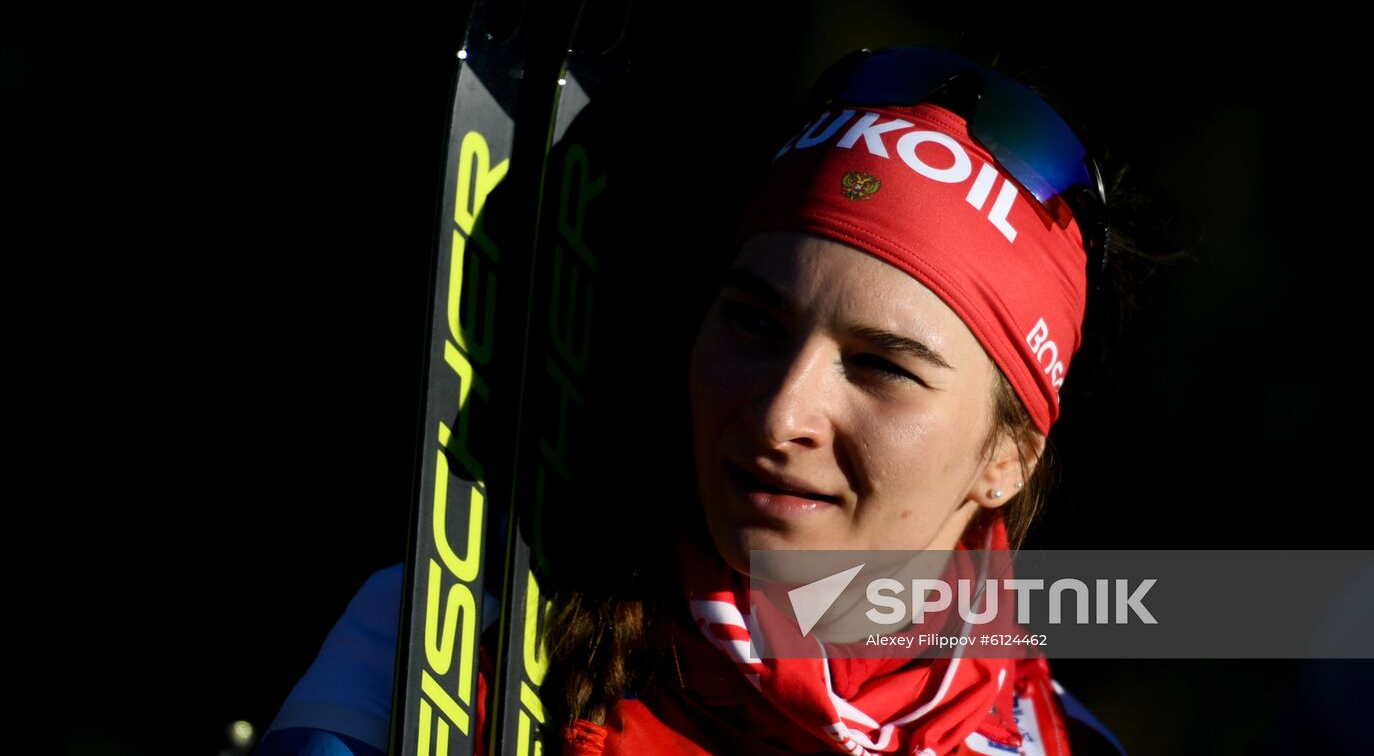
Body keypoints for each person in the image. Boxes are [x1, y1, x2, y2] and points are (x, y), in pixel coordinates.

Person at [256, 45, 1130, 756]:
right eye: (755, 321)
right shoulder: (460, 625)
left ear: (1005, 457)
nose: (783, 412)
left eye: (881, 368)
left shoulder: (1062, 745)